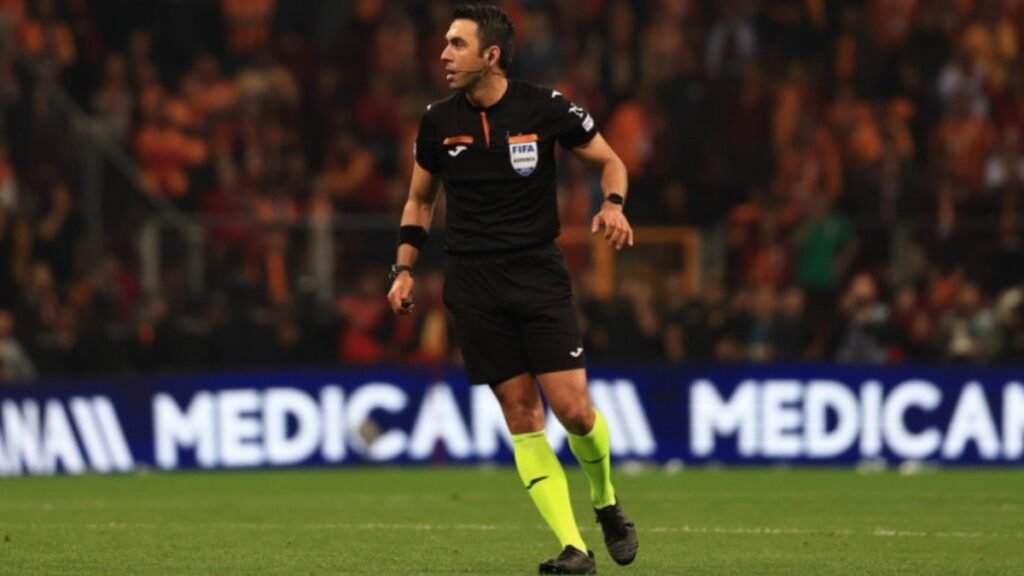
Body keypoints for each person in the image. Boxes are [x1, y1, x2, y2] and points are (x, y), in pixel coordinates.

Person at [386, 4, 637, 574]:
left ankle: (605, 501)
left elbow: (611, 162)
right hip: (473, 284)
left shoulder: (545, 107)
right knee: (522, 414)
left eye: (457, 44)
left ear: (491, 55)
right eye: (446, 43)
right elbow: (420, 201)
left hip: (537, 274)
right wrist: (402, 268)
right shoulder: (437, 121)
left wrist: (614, 204)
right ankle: (575, 548)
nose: (444, 55)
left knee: (574, 411)